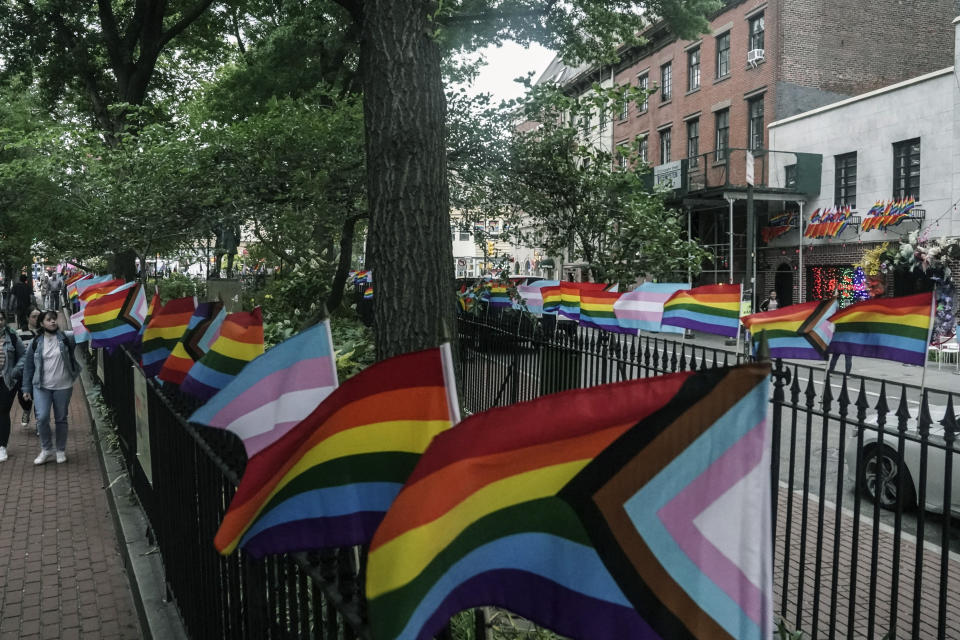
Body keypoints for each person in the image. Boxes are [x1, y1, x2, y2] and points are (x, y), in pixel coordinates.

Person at [22, 310, 81, 465]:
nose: (53, 322)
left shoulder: (67, 338)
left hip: (63, 386)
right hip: (42, 386)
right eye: (49, 320)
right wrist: (26, 389)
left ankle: (60, 450)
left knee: (61, 418)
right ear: (42, 323)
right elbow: (28, 366)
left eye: (54, 319)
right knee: (41, 418)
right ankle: (46, 449)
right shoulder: (36, 342)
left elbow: (82, 332)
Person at [0, 311, 26, 462]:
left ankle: (2, 446)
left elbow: (24, 354)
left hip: (6, 379)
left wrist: (16, 370)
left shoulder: (12, 336)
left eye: (1, 319)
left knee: (3, 410)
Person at [17, 307, 40, 429]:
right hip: (24, 372)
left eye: (38, 316)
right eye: (34, 316)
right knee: (22, 397)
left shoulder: (45, 332)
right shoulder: (19, 333)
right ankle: (26, 411)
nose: (36, 319)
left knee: (40, 397)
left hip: (41, 372)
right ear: (27, 318)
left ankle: (39, 423)